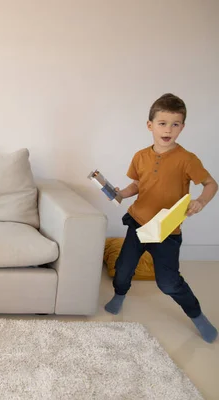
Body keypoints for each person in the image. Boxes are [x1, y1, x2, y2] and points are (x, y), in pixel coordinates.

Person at [104, 93, 218, 343]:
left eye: (175, 124)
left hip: (166, 230)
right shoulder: (140, 156)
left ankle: (197, 315)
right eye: (162, 123)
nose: (168, 130)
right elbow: (137, 184)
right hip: (137, 222)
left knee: (168, 283)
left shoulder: (187, 159)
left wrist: (201, 201)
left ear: (182, 127)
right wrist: (121, 193)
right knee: (123, 270)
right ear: (150, 125)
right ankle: (120, 295)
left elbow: (211, 184)